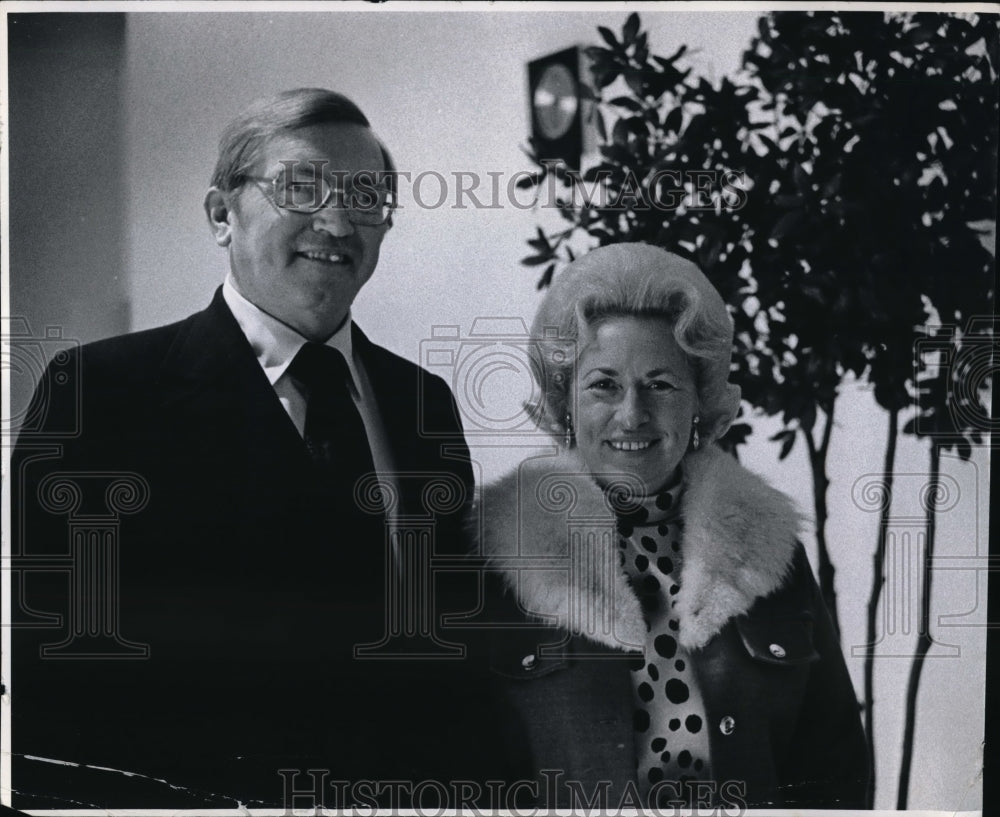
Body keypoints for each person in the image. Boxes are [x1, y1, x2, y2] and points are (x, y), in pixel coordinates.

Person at [11, 88, 503, 809]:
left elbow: (452, 644)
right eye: (301, 187)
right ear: (221, 214)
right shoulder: (100, 392)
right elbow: (44, 662)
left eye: (366, 195)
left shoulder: (421, 401)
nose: (337, 221)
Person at [476, 243, 869, 810]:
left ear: (700, 407)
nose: (632, 414)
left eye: (660, 384)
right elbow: (464, 760)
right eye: (603, 385)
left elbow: (834, 766)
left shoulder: (769, 548)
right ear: (565, 405)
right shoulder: (496, 555)